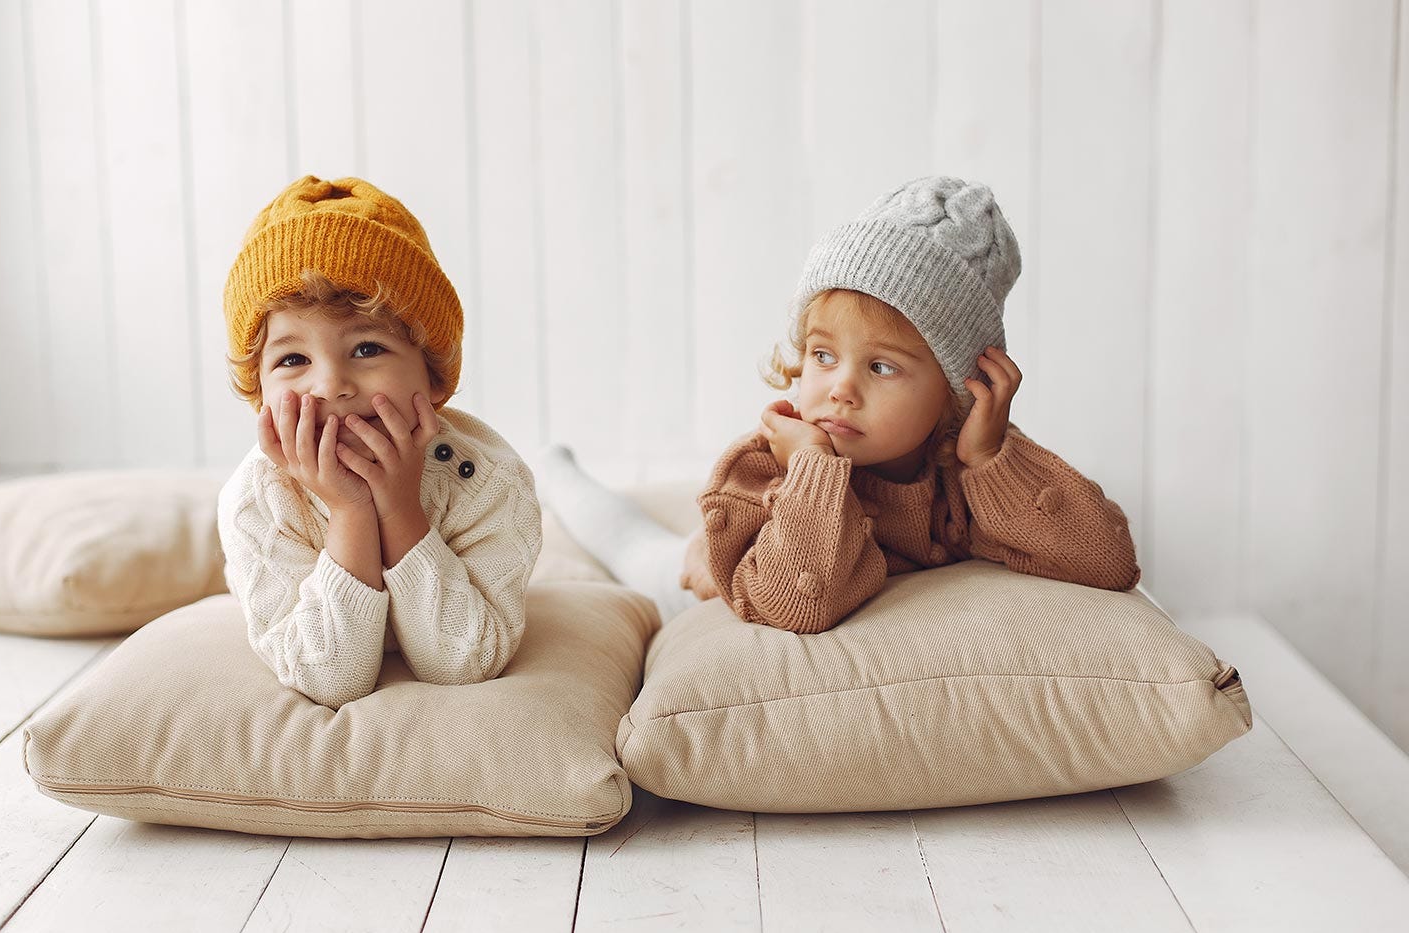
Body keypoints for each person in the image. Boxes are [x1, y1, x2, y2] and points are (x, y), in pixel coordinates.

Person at [540, 175, 1140, 633]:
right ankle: (556, 473)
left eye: (881, 367)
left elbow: (1108, 560)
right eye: (824, 356)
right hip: (699, 582)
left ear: (958, 390)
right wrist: (813, 469)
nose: (840, 389)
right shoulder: (771, 462)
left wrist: (989, 459)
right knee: (632, 548)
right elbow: (797, 604)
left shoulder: (967, 463)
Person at [217, 176, 542, 707]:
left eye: (367, 348)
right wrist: (349, 512)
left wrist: (398, 509)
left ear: (434, 378)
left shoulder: (488, 483)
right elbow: (329, 679)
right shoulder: (257, 501)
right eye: (292, 359)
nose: (330, 385)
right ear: (259, 392)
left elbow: (465, 663)